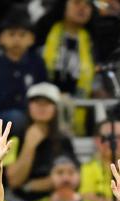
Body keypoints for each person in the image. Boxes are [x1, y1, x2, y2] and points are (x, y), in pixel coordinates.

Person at [0, 8, 46, 136]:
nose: (16, 39)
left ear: (32, 39)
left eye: (22, 35)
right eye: (11, 34)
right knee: (16, 118)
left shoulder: (37, 63)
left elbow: (43, 92)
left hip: (30, 117)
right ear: (1, 38)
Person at [6, 83, 79, 201]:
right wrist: (29, 146)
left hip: (55, 200)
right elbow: (14, 181)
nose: (42, 107)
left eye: (47, 102)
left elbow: (70, 179)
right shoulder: (14, 136)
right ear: (28, 106)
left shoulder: (64, 140)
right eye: (36, 102)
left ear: (55, 108)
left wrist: (29, 186)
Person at [40, 0, 97, 135]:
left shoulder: (94, 40)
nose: (83, 8)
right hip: (46, 94)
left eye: (88, 5)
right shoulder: (44, 33)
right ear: (63, 7)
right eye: (77, 3)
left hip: (80, 99)